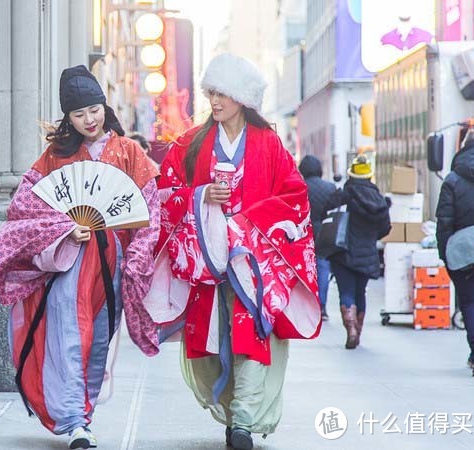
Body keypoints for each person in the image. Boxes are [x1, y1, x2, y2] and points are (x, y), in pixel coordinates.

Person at [150, 53, 321, 450]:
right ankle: (229, 412)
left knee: (251, 335)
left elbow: (294, 196)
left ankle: (243, 419)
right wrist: (200, 196)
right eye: (212, 93)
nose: (215, 102)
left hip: (253, 263)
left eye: (223, 94)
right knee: (210, 344)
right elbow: (165, 192)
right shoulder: (191, 143)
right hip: (207, 262)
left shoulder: (268, 143)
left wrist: (248, 226)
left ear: (242, 98)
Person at [0, 65, 160, 449]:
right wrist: (64, 228)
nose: (89, 119)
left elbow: (149, 208)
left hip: (111, 263)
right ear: (67, 118)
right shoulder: (54, 156)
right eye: (79, 114)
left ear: (105, 106)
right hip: (71, 260)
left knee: (99, 337)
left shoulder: (129, 151)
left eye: (94, 109)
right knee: (69, 333)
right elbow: (24, 207)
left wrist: (136, 260)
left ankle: (85, 413)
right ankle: (73, 420)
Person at [436, 128, 474, 377]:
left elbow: (444, 222)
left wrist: (447, 255)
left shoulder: (453, 180)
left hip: (465, 252)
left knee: (471, 303)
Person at [329, 155, 391, 349]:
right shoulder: (379, 200)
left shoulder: (342, 195)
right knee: (359, 293)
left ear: (351, 174)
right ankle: (359, 329)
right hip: (367, 254)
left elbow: (327, 216)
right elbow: (385, 228)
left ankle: (351, 329)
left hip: (343, 252)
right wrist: (370, 238)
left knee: (346, 291)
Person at [299, 154, 343, 321]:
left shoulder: (300, 187)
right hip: (325, 233)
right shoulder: (330, 187)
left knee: (304, 270)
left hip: (304, 233)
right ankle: (321, 305)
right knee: (323, 269)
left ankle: (305, 305)